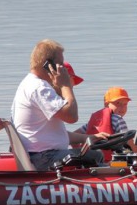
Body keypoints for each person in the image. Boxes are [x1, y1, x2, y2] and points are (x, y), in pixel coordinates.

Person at [10, 39, 106, 171]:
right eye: (60, 64)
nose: (62, 68)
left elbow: (53, 134)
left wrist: (87, 138)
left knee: (92, 153)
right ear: (48, 65)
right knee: (96, 156)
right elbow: (72, 117)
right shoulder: (39, 88)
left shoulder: (30, 83)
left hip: (40, 154)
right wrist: (65, 85)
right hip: (44, 157)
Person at [78, 87, 137, 155]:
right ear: (106, 104)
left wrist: (77, 150)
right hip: (111, 158)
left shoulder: (95, 119)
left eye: (125, 104)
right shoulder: (118, 120)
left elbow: (76, 133)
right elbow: (128, 140)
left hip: (92, 156)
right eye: (118, 103)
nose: (122, 107)